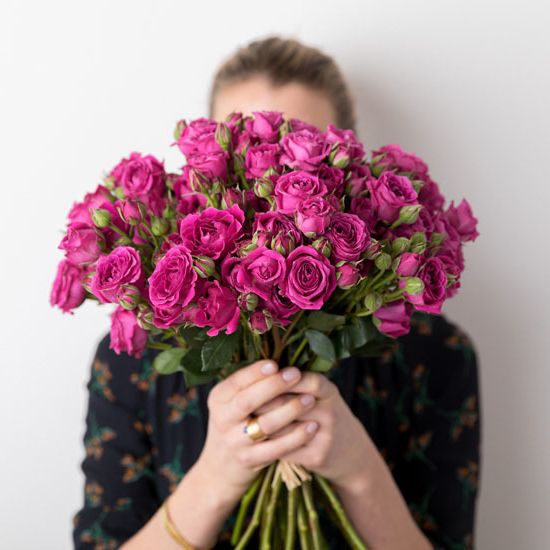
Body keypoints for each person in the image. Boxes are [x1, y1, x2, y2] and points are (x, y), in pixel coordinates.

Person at [72, 36, 481, 550]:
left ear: (351, 171)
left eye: (296, 158)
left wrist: (358, 470)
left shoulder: (436, 354)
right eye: (241, 156)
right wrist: (216, 478)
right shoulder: (134, 359)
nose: (265, 180)